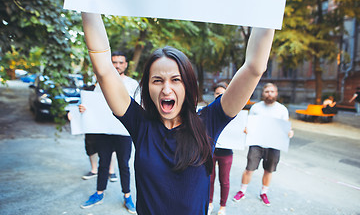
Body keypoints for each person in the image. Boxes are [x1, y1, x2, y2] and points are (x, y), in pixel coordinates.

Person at [82, 12, 275, 215]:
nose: (166, 89)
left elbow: (254, 67)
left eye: (176, 80)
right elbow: (103, 68)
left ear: (188, 85)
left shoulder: (209, 122)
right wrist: (87, 2)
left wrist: (269, 6)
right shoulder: (140, 124)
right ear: (147, 87)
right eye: (157, 80)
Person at [80, 52, 139, 214]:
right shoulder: (100, 84)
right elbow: (93, 105)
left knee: (124, 165)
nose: (117, 65)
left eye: (120, 62)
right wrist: (84, 108)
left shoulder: (133, 84)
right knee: (103, 163)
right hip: (104, 132)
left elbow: (139, 107)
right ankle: (99, 193)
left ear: (126, 64)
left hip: (123, 132)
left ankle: (127, 196)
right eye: (114, 62)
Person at [233, 83, 294, 206]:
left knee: (268, 170)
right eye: (267, 91)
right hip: (256, 143)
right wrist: (246, 129)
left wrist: (289, 132)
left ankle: (263, 193)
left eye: (272, 91)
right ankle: (242, 191)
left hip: (274, 145)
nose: (269, 94)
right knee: (249, 169)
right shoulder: (256, 108)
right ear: (263, 93)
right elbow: (248, 124)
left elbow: (286, 127)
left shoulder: (282, 109)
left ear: (276, 93)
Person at [80, 83, 118, 182]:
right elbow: (80, 104)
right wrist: (81, 108)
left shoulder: (112, 87)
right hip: (92, 124)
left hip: (108, 123)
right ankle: (94, 170)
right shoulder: (88, 90)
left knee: (112, 147)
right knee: (90, 145)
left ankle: (111, 171)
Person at [208, 82, 233, 215]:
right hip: (210, 151)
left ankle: (223, 206)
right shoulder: (208, 112)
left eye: (223, 93)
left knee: (224, 180)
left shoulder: (233, 111)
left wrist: (244, 131)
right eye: (217, 93)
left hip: (226, 152)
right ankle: (210, 203)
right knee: (209, 178)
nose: (220, 96)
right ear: (214, 95)